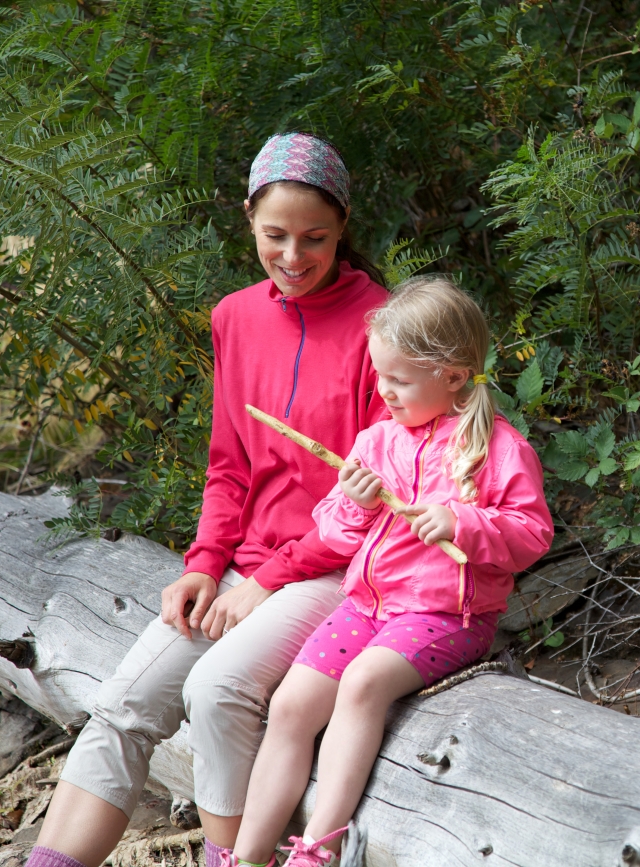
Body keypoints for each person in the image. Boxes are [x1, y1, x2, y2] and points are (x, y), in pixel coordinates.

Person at [28, 133, 390, 867]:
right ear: (248, 219)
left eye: (315, 238)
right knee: (120, 709)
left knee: (217, 687)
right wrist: (203, 564)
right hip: (246, 566)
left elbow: (376, 499)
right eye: (275, 235)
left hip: (338, 568)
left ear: (344, 226)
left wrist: (266, 581)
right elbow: (230, 467)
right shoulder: (235, 317)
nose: (293, 256)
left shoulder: (383, 325)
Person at [224, 276, 554, 867]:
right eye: (380, 374)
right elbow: (335, 533)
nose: (384, 390)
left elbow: (531, 535)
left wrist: (462, 523)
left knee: (363, 682)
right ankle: (246, 857)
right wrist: (354, 502)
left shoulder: (498, 449)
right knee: (292, 704)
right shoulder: (378, 441)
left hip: (447, 616)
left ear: (453, 375)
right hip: (367, 606)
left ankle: (317, 849)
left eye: (399, 379)